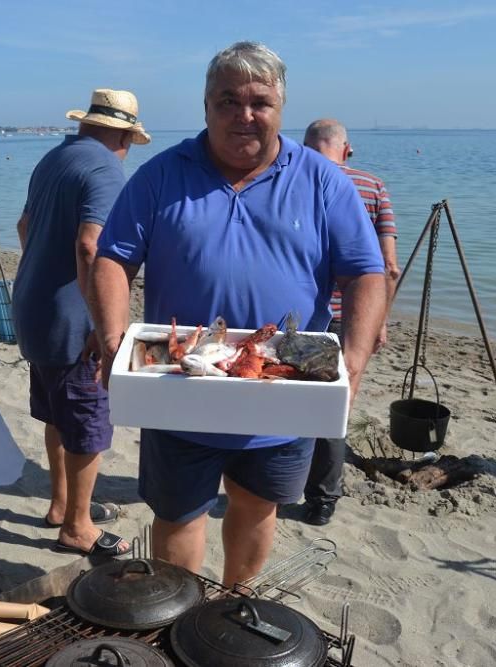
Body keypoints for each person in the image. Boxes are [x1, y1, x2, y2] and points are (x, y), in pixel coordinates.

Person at [89, 42, 387, 586]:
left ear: (280, 109)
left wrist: (356, 363)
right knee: (177, 513)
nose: (243, 115)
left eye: (259, 102)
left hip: (283, 384)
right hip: (176, 383)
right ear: (205, 106)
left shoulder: (322, 180)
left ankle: (231, 602)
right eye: (227, 100)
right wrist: (112, 337)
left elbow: (366, 273)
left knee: (256, 508)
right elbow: (112, 259)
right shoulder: (159, 176)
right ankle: (177, 610)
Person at [12, 88, 151, 557]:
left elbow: (24, 227)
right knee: (88, 421)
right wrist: (102, 321)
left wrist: (45, 271)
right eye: (130, 140)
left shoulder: (54, 159)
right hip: (71, 319)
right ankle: (77, 527)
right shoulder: (105, 169)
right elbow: (91, 246)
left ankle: (62, 504)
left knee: (57, 412)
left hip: (33, 306)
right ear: (122, 136)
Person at [301, 118, 401, 526]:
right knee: (335, 408)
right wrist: (378, 320)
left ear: (304, 147)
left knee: (282, 399)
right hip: (351, 319)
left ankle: (271, 483)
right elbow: (388, 268)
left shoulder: (293, 181)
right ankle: (322, 500)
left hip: (302, 315)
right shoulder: (373, 187)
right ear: (348, 149)